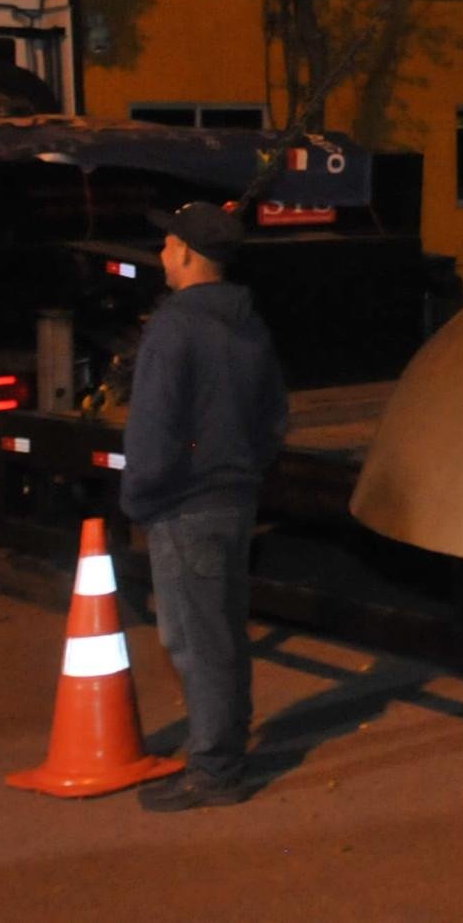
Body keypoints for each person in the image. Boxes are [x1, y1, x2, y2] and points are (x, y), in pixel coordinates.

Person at [120, 199, 288, 812]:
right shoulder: (248, 322)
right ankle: (227, 747)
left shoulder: (174, 326)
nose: (162, 251)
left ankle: (215, 769)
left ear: (189, 255)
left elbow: (155, 426)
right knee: (222, 629)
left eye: (168, 243)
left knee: (196, 637)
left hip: (185, 505)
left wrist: (139, 495)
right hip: (234, 500)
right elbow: (273, 416)